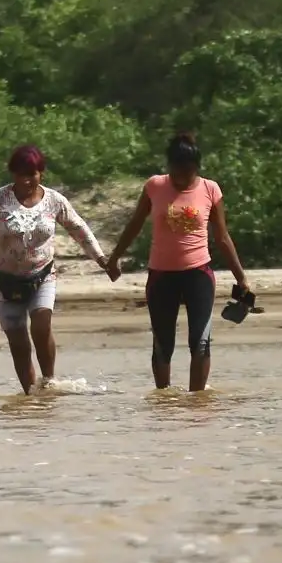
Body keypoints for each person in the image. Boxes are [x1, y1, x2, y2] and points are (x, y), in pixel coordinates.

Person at [0, 145, 114, 393]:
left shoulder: (54, 201)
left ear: (41, 173)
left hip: (42, 275)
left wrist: (101, 259)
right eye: (21, 174)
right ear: (13, 175)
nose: (27, 180)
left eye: (33, 174)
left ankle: (49, 382)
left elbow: (79, 229)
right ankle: (30, 394)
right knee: (18, 341)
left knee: (41, 326)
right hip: (5, 281)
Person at [105, 132, 251, 393]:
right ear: (168, 166)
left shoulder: (210, 189)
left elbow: (222, 236)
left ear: (196, 167)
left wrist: (241, 277)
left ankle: (198, 403)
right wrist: (115, 258)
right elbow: (135, 224)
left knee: (200, 341)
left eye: (188, 172)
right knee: (163, 343)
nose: (181, 178)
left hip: (198, 274)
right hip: (162, 276)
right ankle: (164, 402)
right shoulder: (154, 187)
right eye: (176, 171)